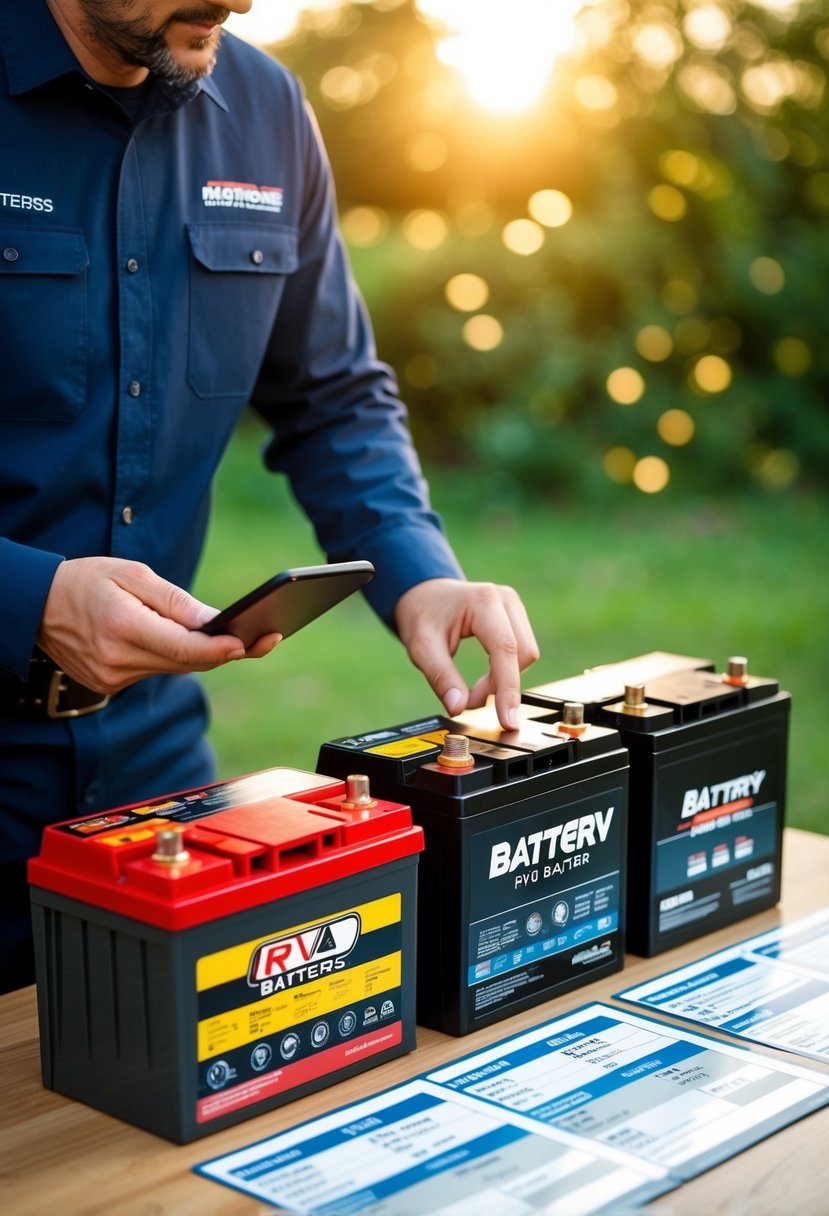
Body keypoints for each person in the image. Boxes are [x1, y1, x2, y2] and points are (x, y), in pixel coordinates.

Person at [0, 0, 539, 993]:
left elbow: (333, 399)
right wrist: (28, 601)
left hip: (153, 787)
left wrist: (418, 571)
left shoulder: (267, 108)